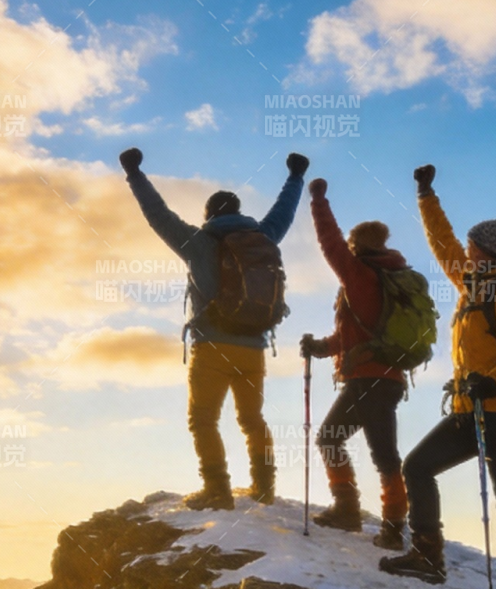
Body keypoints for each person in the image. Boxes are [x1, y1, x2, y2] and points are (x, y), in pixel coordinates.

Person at [379, 163, 496, 589]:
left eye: (470, 247)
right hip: (470, 408)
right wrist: (426, 195)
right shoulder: (471, 285)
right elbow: (441, 243)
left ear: (485, 252)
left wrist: (491, 382)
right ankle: (428, 557)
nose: (463, 253)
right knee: (417, 467)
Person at [119, 146, 306, 510]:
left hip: (213, 346)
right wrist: (296, 177)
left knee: (203, 420)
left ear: (208, 215)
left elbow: (157, 214)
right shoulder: (264, 236)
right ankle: (264, 487)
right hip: (254, 346)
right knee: (253, 420)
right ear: (238, 213)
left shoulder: (197, 242)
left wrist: (135, 173)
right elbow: (284, 210)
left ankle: (218, 490)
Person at [299, 177, 418, 547]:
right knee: (378, 450)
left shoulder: (358, 274)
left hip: (367, 379)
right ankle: (387, 523)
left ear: (357, 245)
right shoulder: (394, 277)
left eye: (350, 246)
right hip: (389, 377)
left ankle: (359, 515)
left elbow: (328, 241)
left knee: (340, 442)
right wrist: (322, 347)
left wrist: (318, 199)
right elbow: (358, 335)